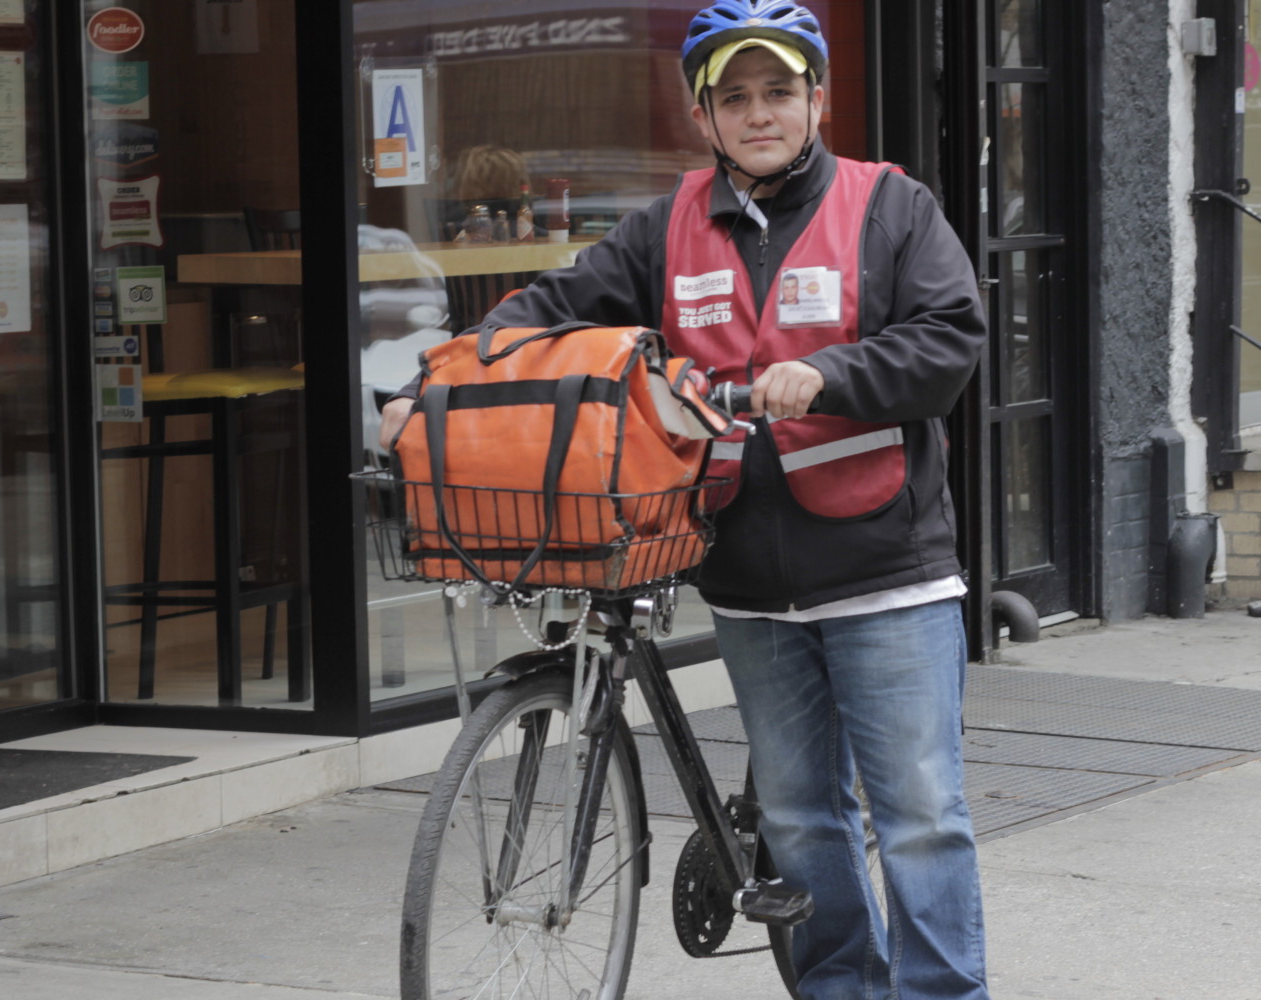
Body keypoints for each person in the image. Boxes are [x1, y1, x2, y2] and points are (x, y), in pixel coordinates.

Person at [380, 2, 992, 994]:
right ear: (703, 118)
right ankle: (840, 988)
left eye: (779, 92)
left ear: (817, 100)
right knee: (799, 820)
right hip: (746, 577)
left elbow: (948, 341)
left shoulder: (889, 208)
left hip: (886, 572)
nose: (759, 113)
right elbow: (552, 309)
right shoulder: (662, 229)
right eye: (734, 97)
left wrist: (830, 375)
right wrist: (440, 381)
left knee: (920, 818)